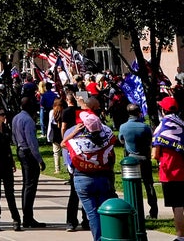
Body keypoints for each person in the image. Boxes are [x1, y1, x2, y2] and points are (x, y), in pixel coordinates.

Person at [63, 111, 118, 241]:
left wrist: (74, 131)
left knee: (92, 214)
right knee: (104, 210)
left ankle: (98, 238)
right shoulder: (106, 138)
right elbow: (112, 154)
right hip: (103, 176)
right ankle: (109, 236)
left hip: (83, 178)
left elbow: (63, 144)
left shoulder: (77, 140)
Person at [152, 96, 184, 240]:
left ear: (163, 110)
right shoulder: (182, 125)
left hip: (169, 173)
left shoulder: (160, 128)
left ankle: (180, 236)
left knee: (177, 206)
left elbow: (155, 154)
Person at [120, 102, 159, 219]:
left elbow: (121, 140)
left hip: (131, 158)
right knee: (149, 185)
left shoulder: (123, 127)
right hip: (144, 157)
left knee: (132, 185)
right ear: (139, 113)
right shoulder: (145, 127)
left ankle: (134, 210)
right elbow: (150, 141)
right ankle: (154, 211)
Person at [12, 97, 46, 228]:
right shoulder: (28, 121)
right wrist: (39, 159)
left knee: (26, 185)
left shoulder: (16, 118)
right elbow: (32, 142)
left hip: (20, 150)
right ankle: (28, 217)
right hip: (28, 152)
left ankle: (27, 216)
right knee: (30, 186)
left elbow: (14, 136)